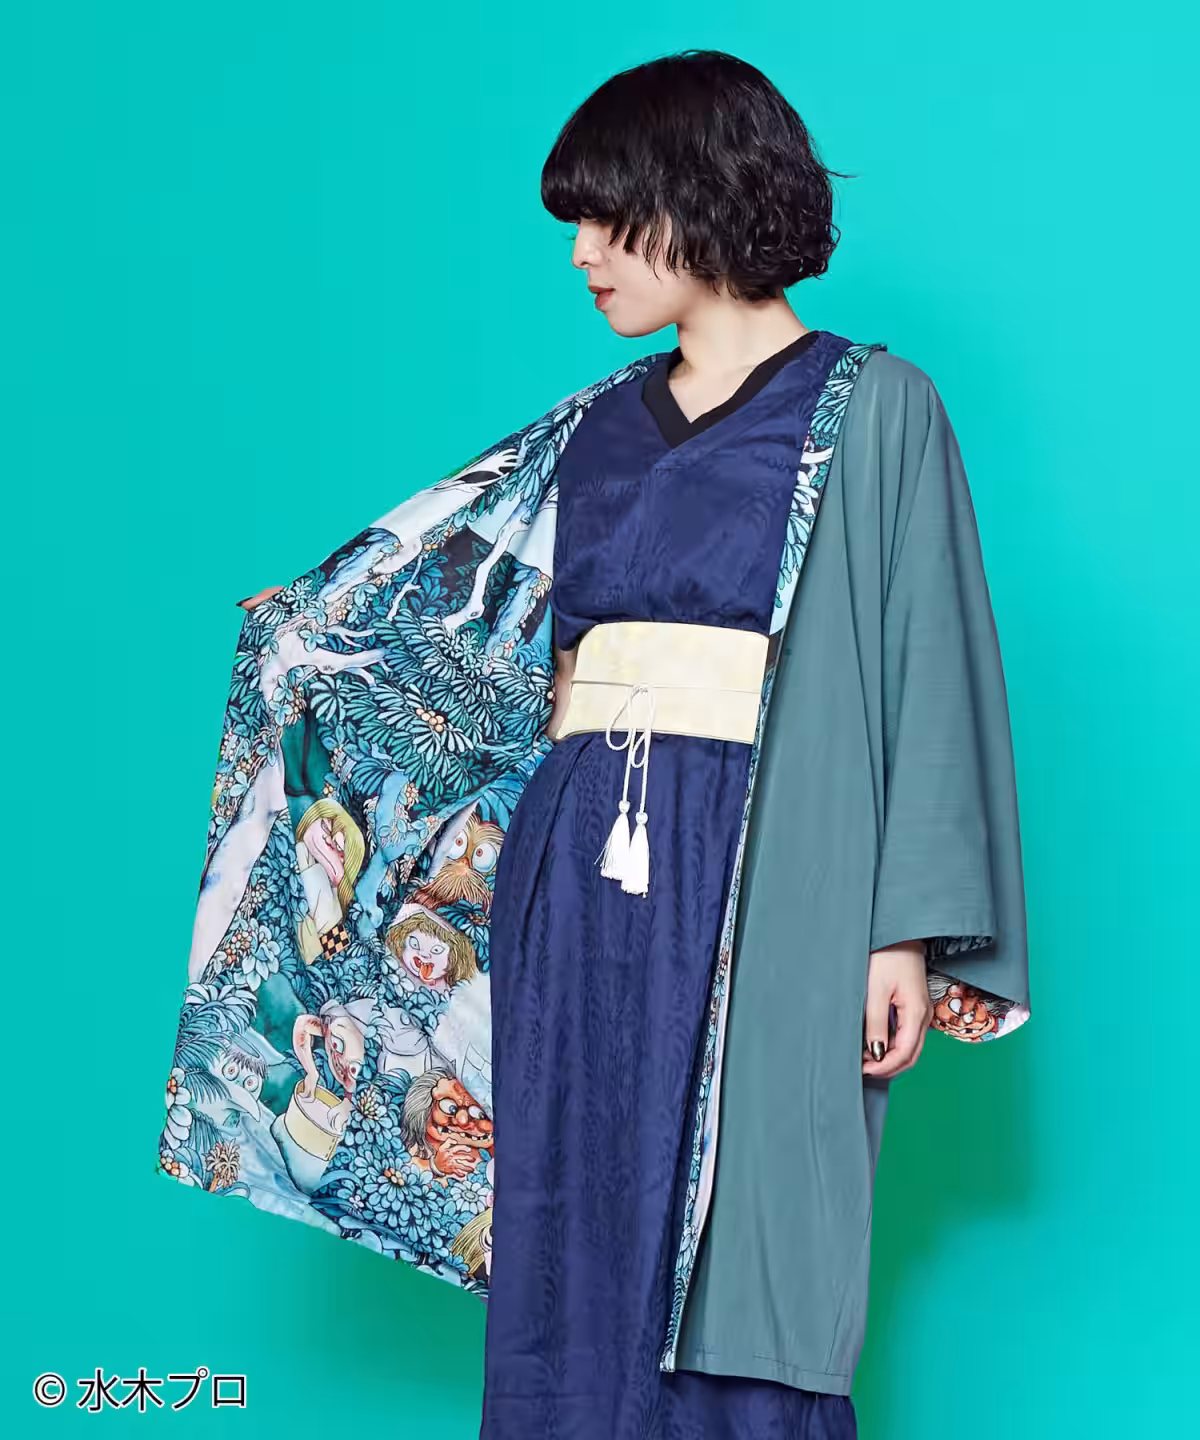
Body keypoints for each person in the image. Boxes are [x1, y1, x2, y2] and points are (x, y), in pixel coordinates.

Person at [229, 47, 1029, 1440]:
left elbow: (930, 661)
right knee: (571, 1212)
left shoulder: (873, 408)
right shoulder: (592, 431)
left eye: (607, 218)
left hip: (771, 867)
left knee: (757, 1224)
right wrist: (314, 644)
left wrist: (900, 931)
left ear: (698, 196)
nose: (583, 255)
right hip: (576, 872)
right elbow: (471, 642)